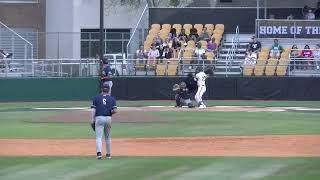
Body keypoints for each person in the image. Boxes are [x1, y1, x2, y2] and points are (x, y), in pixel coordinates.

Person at [91, 83, 117, 159]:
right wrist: (110, 112)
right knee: (108, 137)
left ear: (101, 89)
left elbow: (93, 109)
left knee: (98, 137)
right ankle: (108, 154)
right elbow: (115, 110)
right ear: (108, 90)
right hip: (108, 118)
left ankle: (99, 154)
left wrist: (92, 119)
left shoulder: (96, 98)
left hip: (99, 118)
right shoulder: (112, 98)